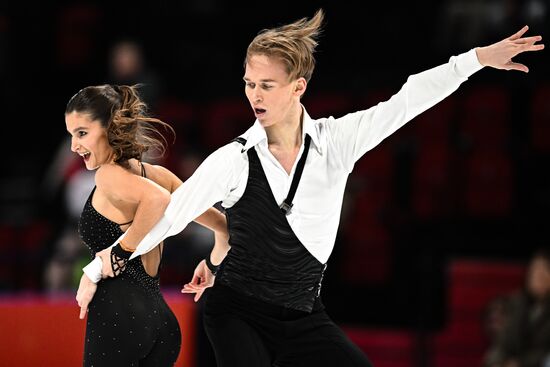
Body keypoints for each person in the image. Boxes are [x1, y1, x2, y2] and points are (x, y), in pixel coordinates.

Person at [79, 9, 544, 367]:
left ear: (298, 87)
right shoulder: (234, 159)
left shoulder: (336, 143)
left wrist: (478, 59)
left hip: (303, 315)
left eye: (266, 85)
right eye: (247, 84)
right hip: (235, 310)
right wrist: (98, 269)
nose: (254, 95)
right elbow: (171, 214)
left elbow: (407, 102)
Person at [66, 84, 229, 366]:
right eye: (71, 135)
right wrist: (213, 265)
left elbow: (158, 200)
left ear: (110, 127)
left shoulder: (108, 176)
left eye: (82, 133)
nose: (74, 146)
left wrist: (119, 252)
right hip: (162, 323)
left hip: (120, 317)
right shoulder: (159, 174)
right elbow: (225, 227)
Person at [483, 248, 550, 367]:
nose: (538, 275)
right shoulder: (517, 302)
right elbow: (502, 343)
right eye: (534, 269)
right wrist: (496, 362)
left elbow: (544, 352)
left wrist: (519, 363)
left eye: (544, 270)